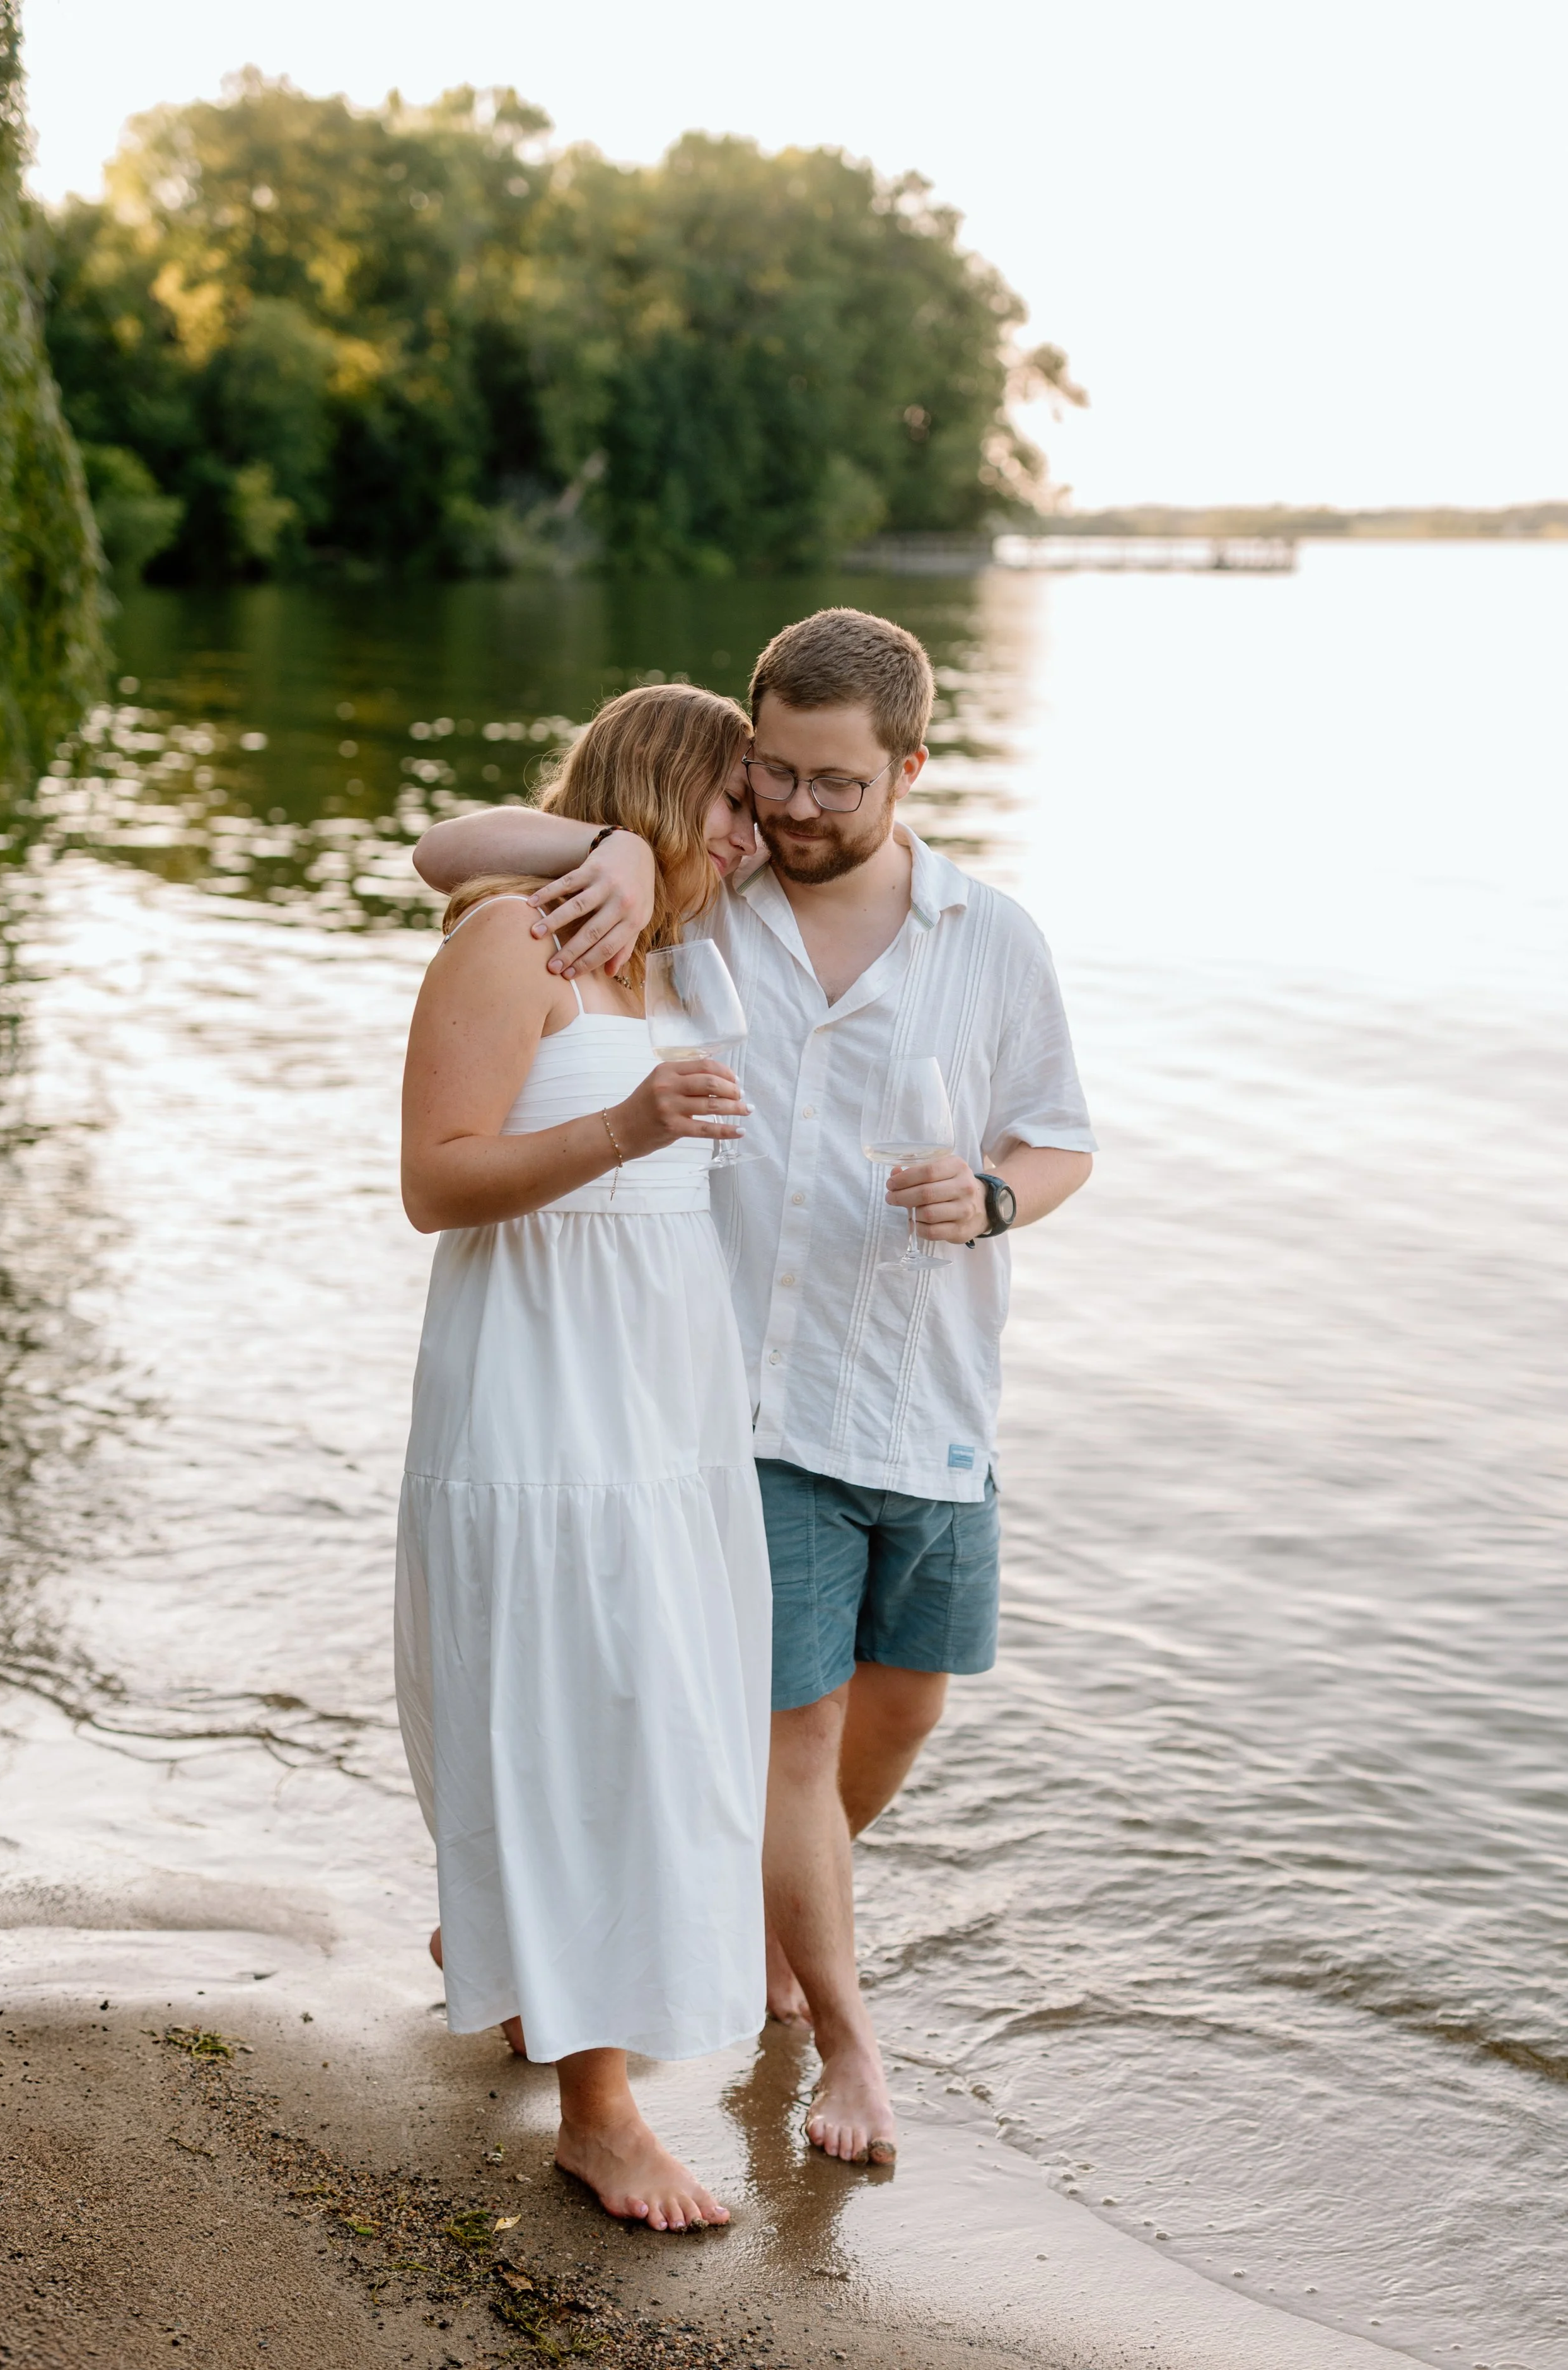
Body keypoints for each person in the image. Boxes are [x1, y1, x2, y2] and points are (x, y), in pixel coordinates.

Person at [413, 607, 1095, 2171]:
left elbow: (1057, 1133)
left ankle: (733, 1905)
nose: (788, 809)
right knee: (775, 1731)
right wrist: (613, 841)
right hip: (727, 1408)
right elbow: (453, 856)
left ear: (908, 770)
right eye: (766, 774)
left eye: (828, 785)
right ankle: (830, 2029)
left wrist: (992, 1196)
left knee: (901, 1709)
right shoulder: (695, 909)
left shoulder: (990, 938)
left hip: (926, 1395)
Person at [395, 682, 772, 2233]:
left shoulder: (685, 963)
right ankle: (596, 2113)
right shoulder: (514, 943)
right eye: (733, 806)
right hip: (539, 1407)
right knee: (573, 1713)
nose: (757, 837)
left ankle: (504, 1955)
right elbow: (435, 1180)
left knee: (639, 1712)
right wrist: (624, 1130)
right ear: (660, 797)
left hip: (661, 1421)